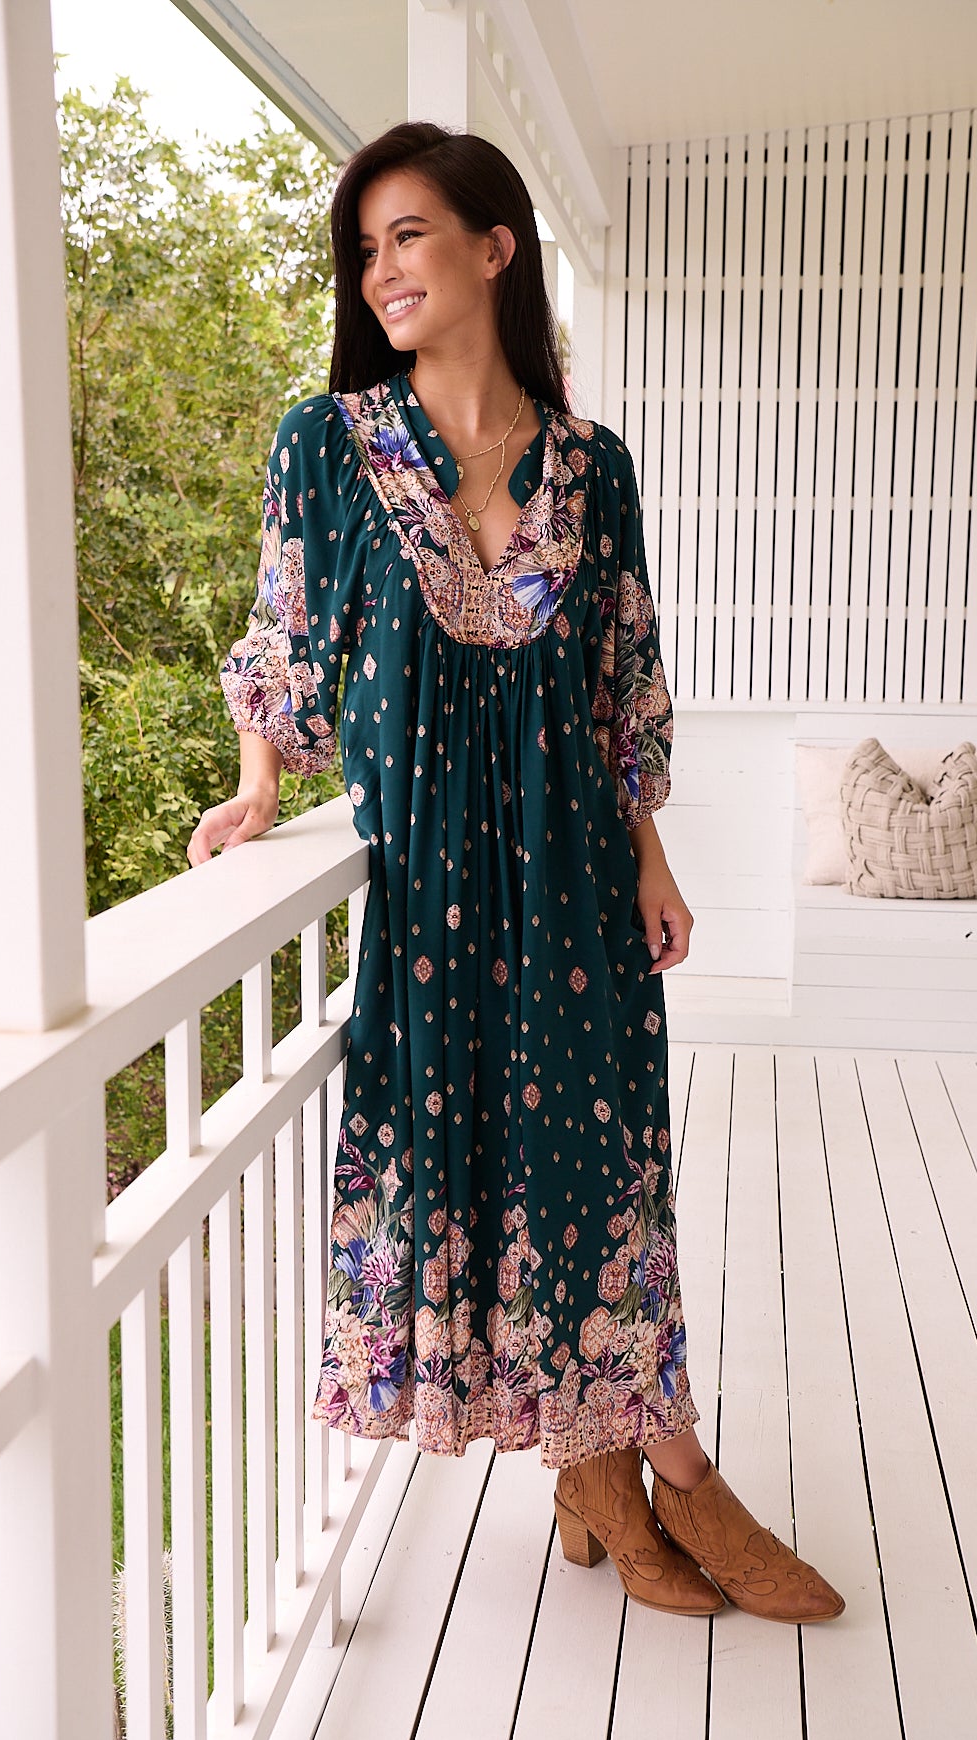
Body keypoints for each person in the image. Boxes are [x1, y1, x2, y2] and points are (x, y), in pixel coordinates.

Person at [187, 121, 844, 1625]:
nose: (382, 269)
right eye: (366, 248)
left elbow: (619, 689)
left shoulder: (587, 468)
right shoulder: (331, 447)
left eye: (408, 234)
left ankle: (629, 1466)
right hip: (431, 909)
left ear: (494, 246)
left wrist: (652, 859)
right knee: (485, 1182)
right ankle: (643, 1472)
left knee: (607, 1183)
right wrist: (256, 784)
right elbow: (290, 640)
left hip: (578, 894)